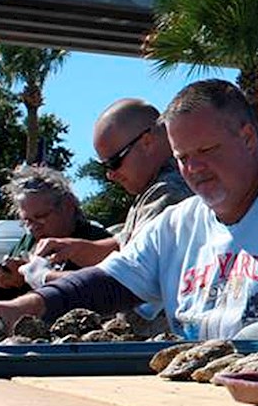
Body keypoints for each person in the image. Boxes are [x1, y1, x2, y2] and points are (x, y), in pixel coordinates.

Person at [0, 79, 258, 341]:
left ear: (248, 138)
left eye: (206, 150)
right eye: (183, 157)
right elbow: (108, 283)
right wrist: (30, 305)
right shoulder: (178, 223)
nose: (194, 169)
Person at [26, 98, 193, 329]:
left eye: (114, 162)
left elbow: (127, 280)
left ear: (147, 141)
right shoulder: (155, 189)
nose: (110, 175)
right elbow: (125, 247)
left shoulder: (169, 194)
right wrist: (74, 248)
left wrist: (46, 280)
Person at [0, 165, 111, 305]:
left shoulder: (99, 242)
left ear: (68, 206)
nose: (34, 227)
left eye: (41, 217)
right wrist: (0, 282)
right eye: (27, 221)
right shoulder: (27, 243)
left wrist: (39, 277)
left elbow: (106, 291)